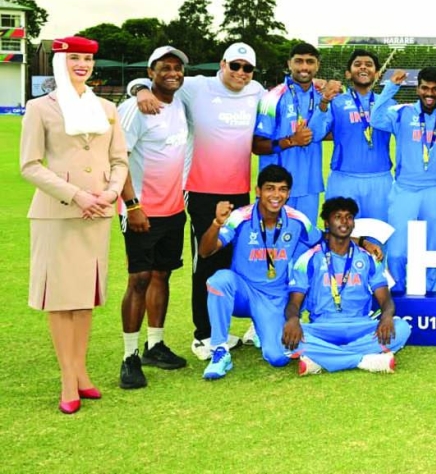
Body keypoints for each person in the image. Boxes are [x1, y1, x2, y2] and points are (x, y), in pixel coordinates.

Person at [129, 42, 264, 360]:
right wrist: (140, 90)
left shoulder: (256, 90)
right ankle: (203, 335)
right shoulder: (196, 87)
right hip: (202, 190)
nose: (241, 73)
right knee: (206, 262)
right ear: (222, 64)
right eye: (235, 66)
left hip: (240, 192)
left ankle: (227, 328)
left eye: (247, 68)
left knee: (235, 261)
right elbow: (160, 81)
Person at [20, 36, 129, 414]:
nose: (81, 64)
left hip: (98, 212)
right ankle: (68, 379)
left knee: (84, 300)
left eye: (87, 58)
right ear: (59, 62)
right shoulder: (40, 108)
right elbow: (30, 165)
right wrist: (76, 195)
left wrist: (111, 192)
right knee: (62, 301)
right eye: (74, 58)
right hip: (58, 214)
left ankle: (81, 373)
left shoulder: (106, 108)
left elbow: (119, 160)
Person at [199, 165, 322, 380]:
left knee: (278, 358)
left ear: (289, 193)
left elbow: (325, 239)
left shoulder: (298, 220)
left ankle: (262, 327)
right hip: (243, 292)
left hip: (274, 298)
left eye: (282, 189)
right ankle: (219, 350)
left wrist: (364, 243)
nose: (276, 195)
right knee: (219, 281)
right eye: (270, 189)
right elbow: (206, 251)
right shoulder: (240, 217)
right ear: (258, 191)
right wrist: (217, 223)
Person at [116, 45, 191, 389]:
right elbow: (117, 159)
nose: (173, 73)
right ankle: (129, 356)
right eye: (165, 67)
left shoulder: (181, 104)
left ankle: (154, 345)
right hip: (142, 211)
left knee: (162, 274)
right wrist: (132, 205)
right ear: (151, 72)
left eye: (177, 68)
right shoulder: (136, 108)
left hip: (174, 209)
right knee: (139, 279)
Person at [284, 198, 412, 375]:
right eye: (338, 217)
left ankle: (322, 358)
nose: (344, 222)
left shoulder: (367, 258)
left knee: (402, 328)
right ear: (327, 223)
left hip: (360, 325)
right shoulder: (308, 258)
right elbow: (294, 302)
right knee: (280, 335)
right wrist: (292, 320)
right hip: (323, 327)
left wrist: (387, 316)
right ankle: (364, 359)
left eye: (349, 217)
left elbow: (385, 298)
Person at [371, 66, 436, 291]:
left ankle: (429, 298)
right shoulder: (402, 112)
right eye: (425, 88)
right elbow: (375, 119)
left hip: (435, 190)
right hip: (405, 190)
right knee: (398, 251)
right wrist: (391, 87)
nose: (430, 93)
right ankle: (398, 296)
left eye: (435, 89)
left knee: (431, 251)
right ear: (418, 88)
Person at [253, 42, 333, 226]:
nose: (304, 67)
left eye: (310, 62)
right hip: (277, 188)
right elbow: (257, 145)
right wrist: (291, 141)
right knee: (273, 246)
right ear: (289, 64)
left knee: (305, 243)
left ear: (317, 65)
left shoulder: (324, 97)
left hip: (309, 186)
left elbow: (324, 133)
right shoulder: (272, 97)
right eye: (299, 61)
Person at [322, 49, 393, 221]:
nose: (363, 67)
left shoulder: (389, 104)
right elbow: (317, 133)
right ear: (348, 73)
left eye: (369, 65)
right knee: (340, 240)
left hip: (380, 180)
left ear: (377, 74)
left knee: (380, 239)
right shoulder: (336, 102)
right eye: (357, 64)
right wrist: (323, 102)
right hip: (344, 180)